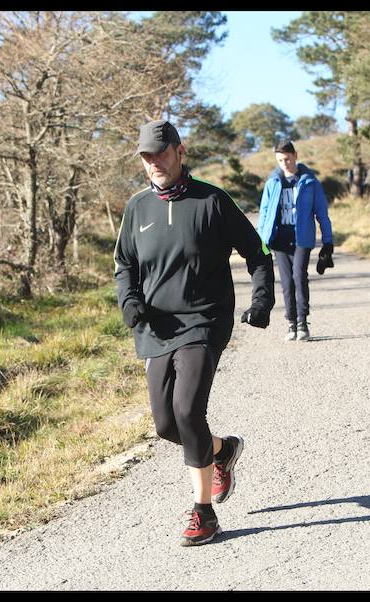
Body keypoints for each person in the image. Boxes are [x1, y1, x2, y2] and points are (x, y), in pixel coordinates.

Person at [114, 120, 275, 546]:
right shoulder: (136, 208)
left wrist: (262, 302)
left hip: (204, 321)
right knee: (167, 425)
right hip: (156, 327)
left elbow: (258, 254)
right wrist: (130, 303)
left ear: (180, 151)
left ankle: (203, 514)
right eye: (147, 158)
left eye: (161, 155)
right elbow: (124, 266)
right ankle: (223, 451)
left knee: (187, 411)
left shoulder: (212, 201)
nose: (154, 164)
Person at [256, 139, 334, 342]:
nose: (285, 163)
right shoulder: (273, 182)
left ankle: (302, 322)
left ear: (296, 156)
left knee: (299, 276)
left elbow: (322, 213)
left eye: (288, 159)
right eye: (280, 160)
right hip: (279, 239)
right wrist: (261, 240)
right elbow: (264, 212)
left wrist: (328, 241)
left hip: (302, 237)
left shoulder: (310, 181)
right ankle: (291, 322)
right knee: (286, 281)